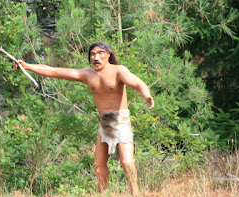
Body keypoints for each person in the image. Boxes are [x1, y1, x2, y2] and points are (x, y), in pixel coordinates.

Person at [13, 41, 154, 195]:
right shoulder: (87, 74)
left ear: (108, 54)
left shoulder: (118, 71)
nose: (96, 57)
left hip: (121, 120)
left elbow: (137, 83)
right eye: (93, 54)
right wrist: (27, 66)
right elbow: (54, 71)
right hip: (104, 122)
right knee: (99, 165)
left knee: (127, 162)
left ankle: (136, 194)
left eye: (100, 53)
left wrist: (146, 95)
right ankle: (103, 194)